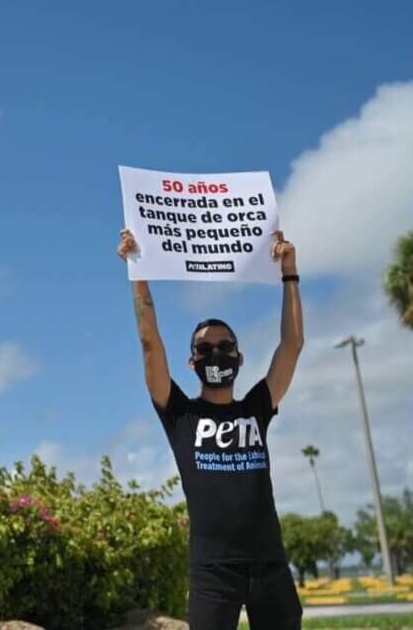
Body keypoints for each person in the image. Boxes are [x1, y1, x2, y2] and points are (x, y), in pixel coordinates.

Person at [117, 228, 304, 629]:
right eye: (204, 348)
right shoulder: (179, 413)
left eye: (224, 347)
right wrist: (139, 270)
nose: (215, 353)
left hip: (270, 566)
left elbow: (291, 346)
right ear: (191, 363)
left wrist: (289, 273)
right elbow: (150, 342)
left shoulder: (257, 407)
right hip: (213, 574)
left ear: (238, 358)